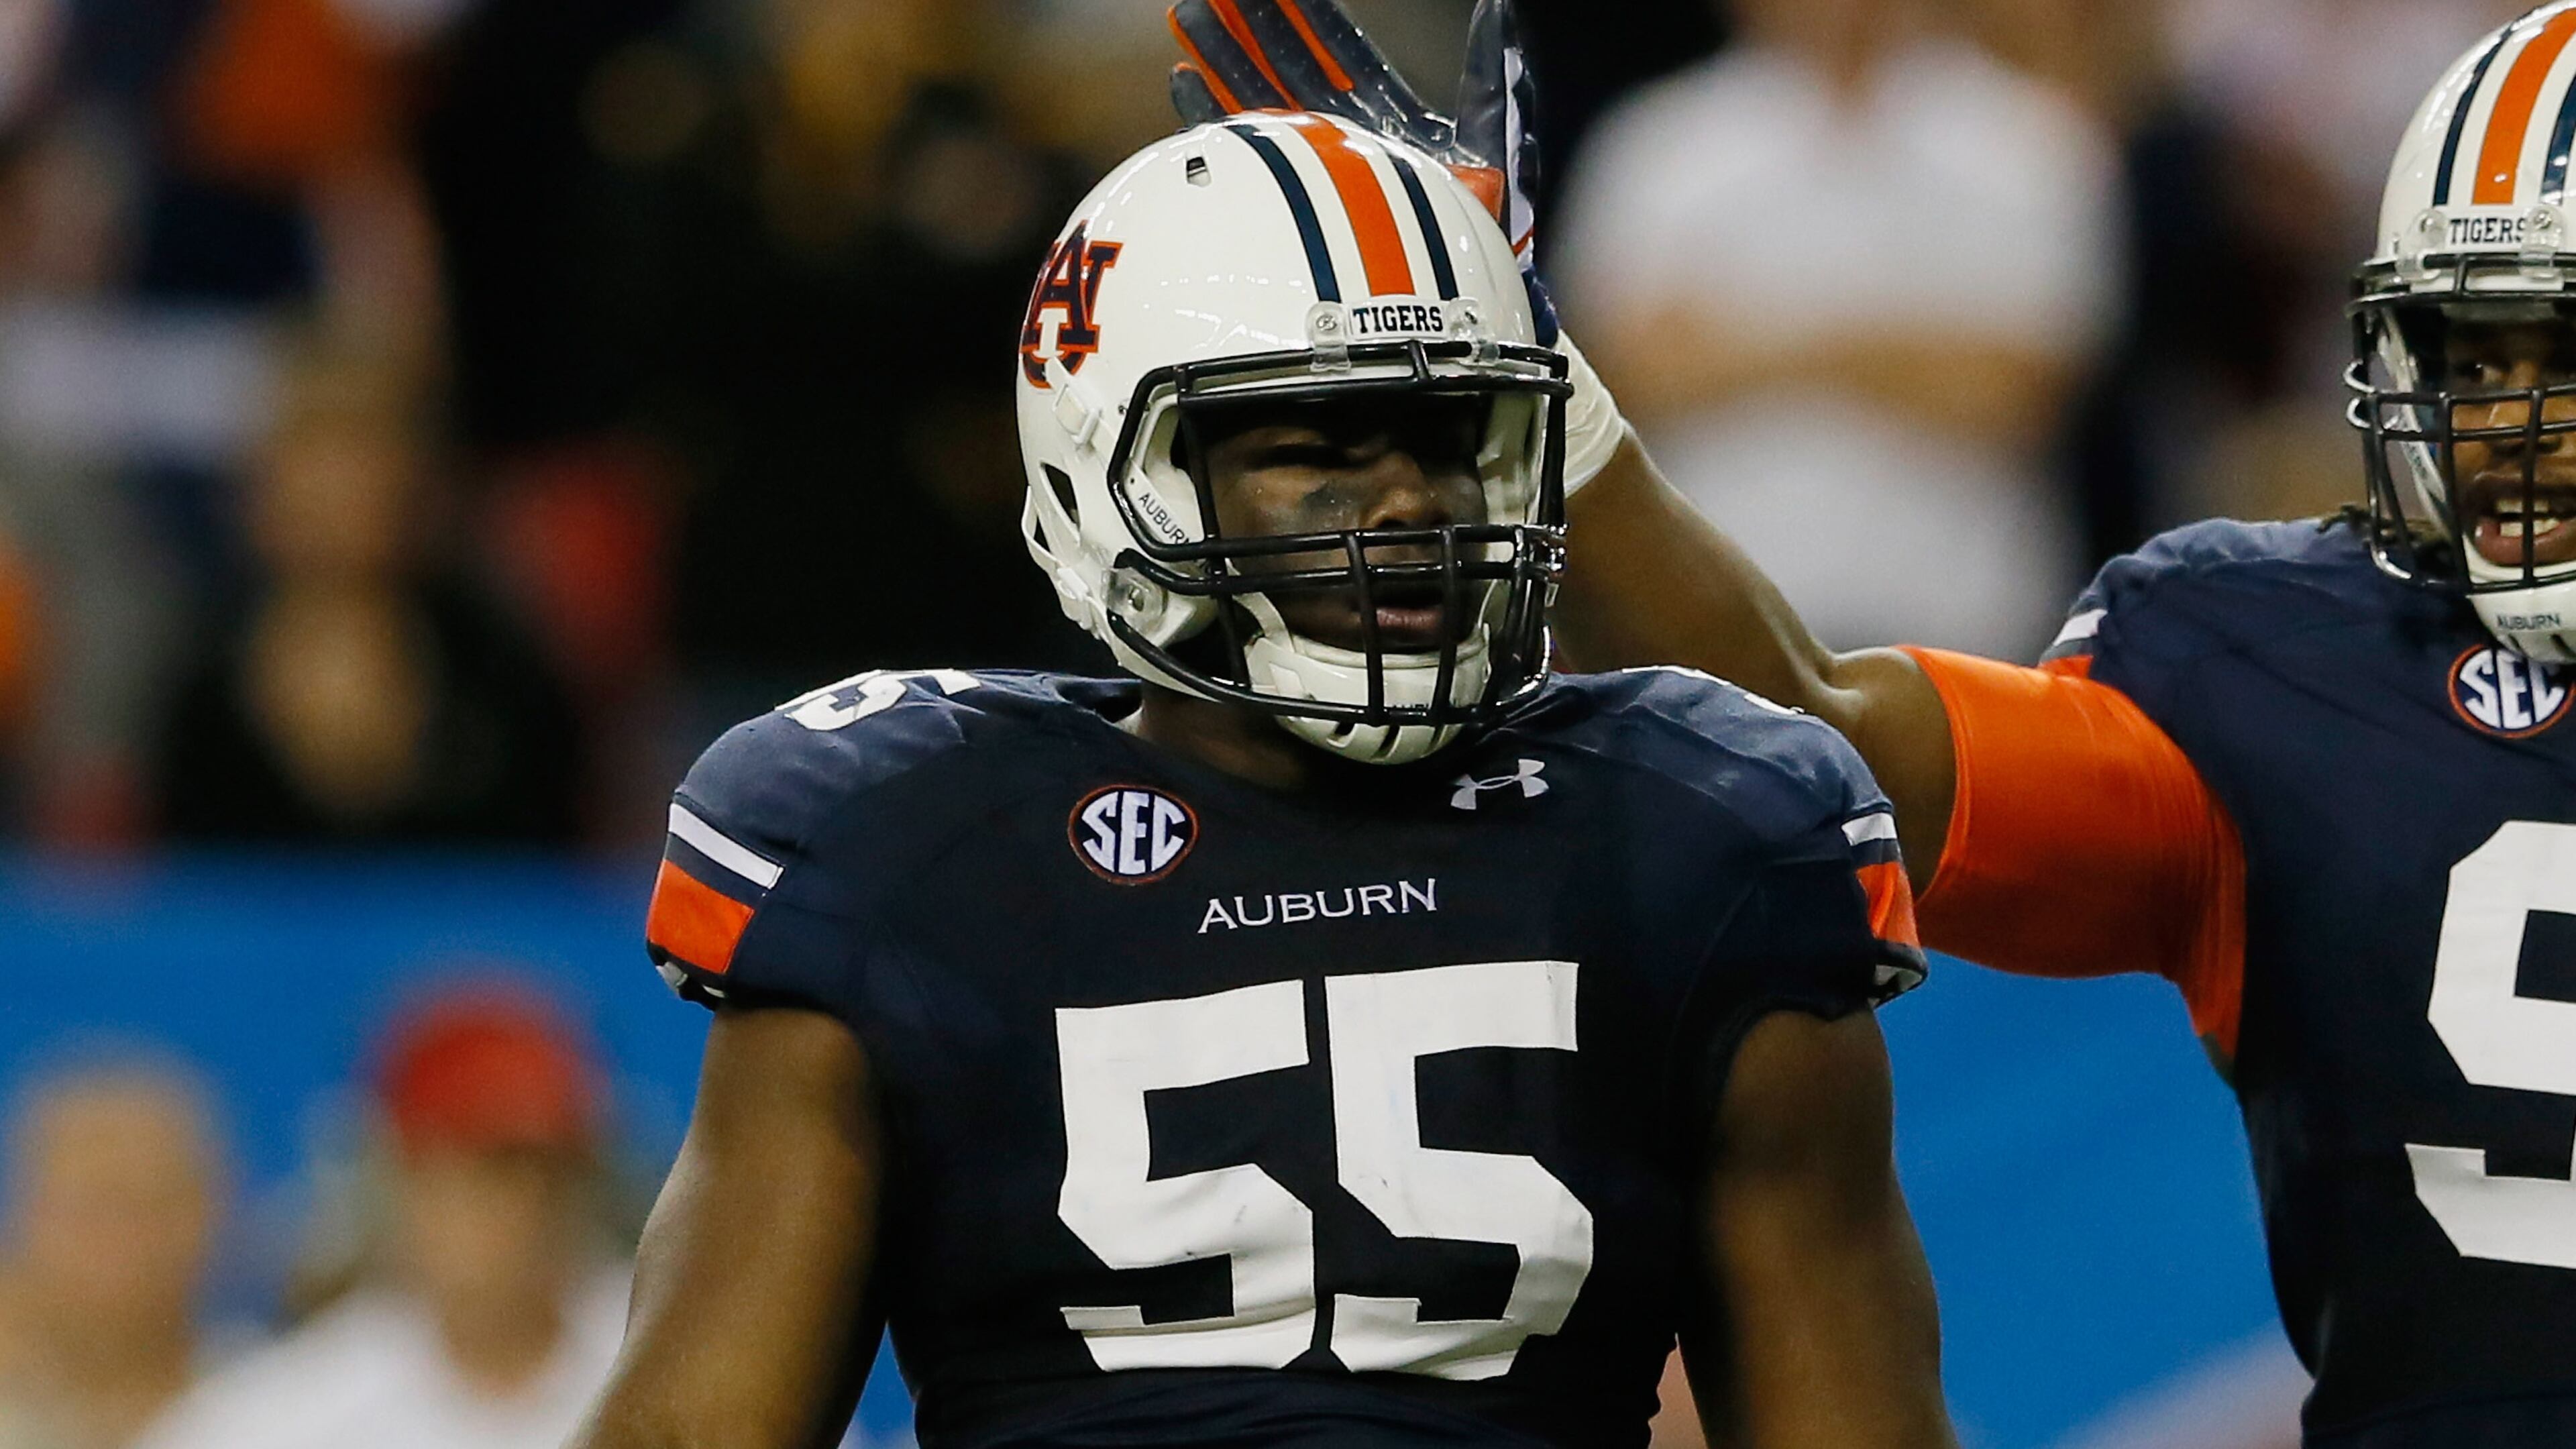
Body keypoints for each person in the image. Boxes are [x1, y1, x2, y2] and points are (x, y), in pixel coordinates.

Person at [570, 57, 1955, 1449]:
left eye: (1450, 438)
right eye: (1320, 447)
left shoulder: (1693, 839)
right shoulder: (897, 850)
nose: (1410, 499)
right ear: (1117, 465)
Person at [1536, 8, 2576, 1446]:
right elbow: (1812, 739)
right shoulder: (2285, 676)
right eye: (2473, 354)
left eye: (2565, 349)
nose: (2514, 421)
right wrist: (1519, 380)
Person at [1558, 0, 2121, 659]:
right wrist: (1902, 349)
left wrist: (1737, 348)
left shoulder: (2031, 144)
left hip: (1969, 649)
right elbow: (1624, 381)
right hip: (1712, 647)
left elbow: (2012, 395)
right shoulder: (1657, 147)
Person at [138, 989, 629, 1449]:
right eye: (467, 1171)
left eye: (540, 1172)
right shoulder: (271, 1418)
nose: (513, 1210)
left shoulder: (669, 1362)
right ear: (399, 1178)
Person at [0, 1058, 230, 1449]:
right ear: (28, 1214)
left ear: (210, 1212)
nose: (122, 1238)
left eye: (153, 1205)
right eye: (91, 1204)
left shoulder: (265, 1395)